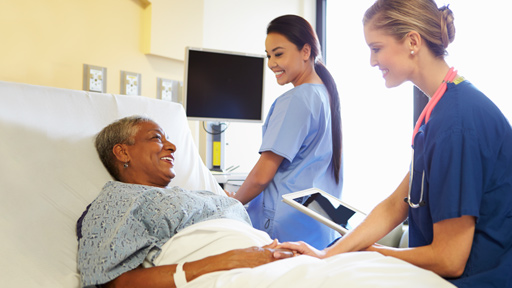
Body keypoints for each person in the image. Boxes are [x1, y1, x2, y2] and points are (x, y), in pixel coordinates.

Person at [277, 0, 512, 287]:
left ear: (413, 41)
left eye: (376, 48)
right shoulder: (440, 111)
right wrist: (327, 254)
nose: (372, 61)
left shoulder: (457, 121)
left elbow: (450, 258)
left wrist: (371, 254)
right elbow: (394, 205)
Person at [76, 116, 292, 288]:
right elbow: (112, 281)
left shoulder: (198, 195)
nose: (172, 147)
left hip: (274, 262)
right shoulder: (118, 199)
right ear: (123, 152)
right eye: (156, 138)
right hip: (230, 273)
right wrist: (227, 261)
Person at [232, 14, 343, 250]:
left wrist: (231, 203)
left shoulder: (296, 99)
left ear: (305, 51)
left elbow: (263, 174)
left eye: (279, 54)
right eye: (269, 55)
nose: (272, 63)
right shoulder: (326, 96)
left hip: (286, 226)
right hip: (321, 225)